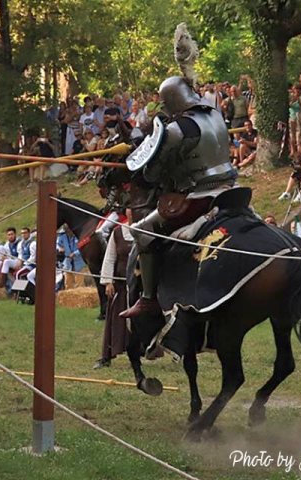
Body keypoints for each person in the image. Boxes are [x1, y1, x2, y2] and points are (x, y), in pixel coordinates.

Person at [119, 31, 238, 361]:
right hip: (232, 188)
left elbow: (151, 174)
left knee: (141, 232)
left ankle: (147, 298)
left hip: (200, 195)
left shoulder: (174, 130)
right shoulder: (215, 113)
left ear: (169, 102)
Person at [95, 211, 133, 369]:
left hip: (140, 285)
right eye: (130, 208)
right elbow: (110, 258)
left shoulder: (146, 229)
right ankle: (107, 355)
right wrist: (107, 281)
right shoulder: (118, 233)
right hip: (120, 284)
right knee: (115, 320)